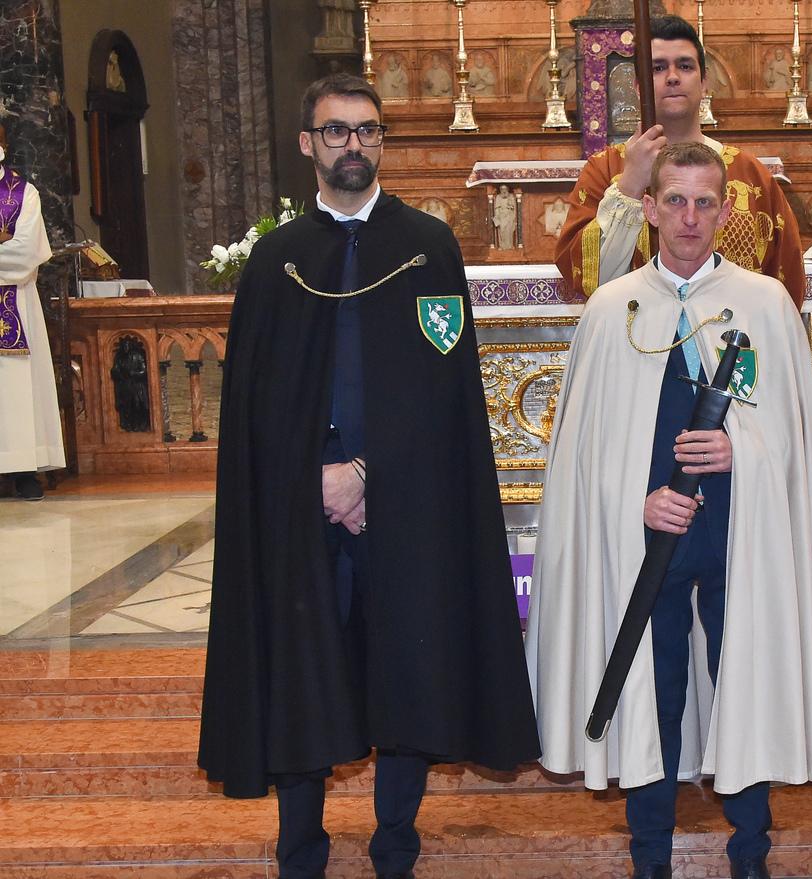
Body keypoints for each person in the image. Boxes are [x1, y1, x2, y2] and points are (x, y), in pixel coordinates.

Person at [197, 74, 539, 879]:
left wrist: (364, 472)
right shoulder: (276, 263)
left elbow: (443, 395)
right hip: (297, 508)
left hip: (403, 505)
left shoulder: (428, 248)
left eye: (368, 130)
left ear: (382, 142)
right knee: (302, 666)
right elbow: (252, 406)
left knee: (406, 670)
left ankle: (395, 847)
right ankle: (301, 851)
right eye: (338, 130)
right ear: (308, 145)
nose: (354, 144)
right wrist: (310, 475)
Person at [526, 142, 812, 879]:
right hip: (646, 540)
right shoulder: (612, 309)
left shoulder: (766, 303)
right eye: (673, 201)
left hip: (738, 532)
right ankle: (650, 855)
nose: (688, 217)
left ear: (725, 210)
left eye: (703, 202)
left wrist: (745, 451)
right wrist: (632, 498)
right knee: (654, 690)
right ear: (648, 208)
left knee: (746, 675)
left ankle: (751, 851)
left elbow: (800, 441)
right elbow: (583, 462)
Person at [553, 15, 805, 308]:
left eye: (685, 66)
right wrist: (630, 185)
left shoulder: (750, 175)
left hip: (731, 346)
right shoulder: (605, 171)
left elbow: (786, 288)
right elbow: (587, 280)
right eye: (658, 68)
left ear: (704, 81)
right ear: (637, 86)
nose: (672, 76)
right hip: (638, 345)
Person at [0, 124, 63, 501]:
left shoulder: (24, 194)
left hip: (14, 303)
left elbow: (25, 254)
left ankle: (23, 470)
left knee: (16, 386)